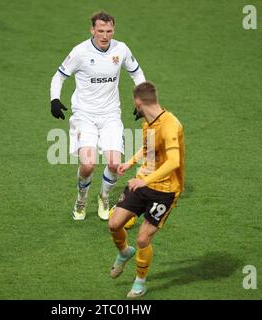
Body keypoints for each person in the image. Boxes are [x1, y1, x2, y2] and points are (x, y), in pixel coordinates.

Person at [49, 11, 146, 221]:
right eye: (100, 31)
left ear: (113, 30)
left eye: (109, 31)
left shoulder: (121, 49)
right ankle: (81, 199)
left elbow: (137, 73)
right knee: (88, 164)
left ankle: (104, 197)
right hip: (84, 115)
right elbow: (59, 76)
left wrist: (141, 101)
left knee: (114, 163)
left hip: (111, 115)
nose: (104, 36)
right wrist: (54, 100)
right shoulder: (80, 52)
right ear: (92, 30)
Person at [108, 81, 185, 298]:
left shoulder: (170, 125)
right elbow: (147, 149)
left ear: (139, 102)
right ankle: (124, 253)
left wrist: (145, 180)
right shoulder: (147, 123)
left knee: (143, 239)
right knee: (114, 223)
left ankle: (140, 283)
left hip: (165, 190)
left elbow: (174, 162)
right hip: (143, 182)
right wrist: (130, 163)